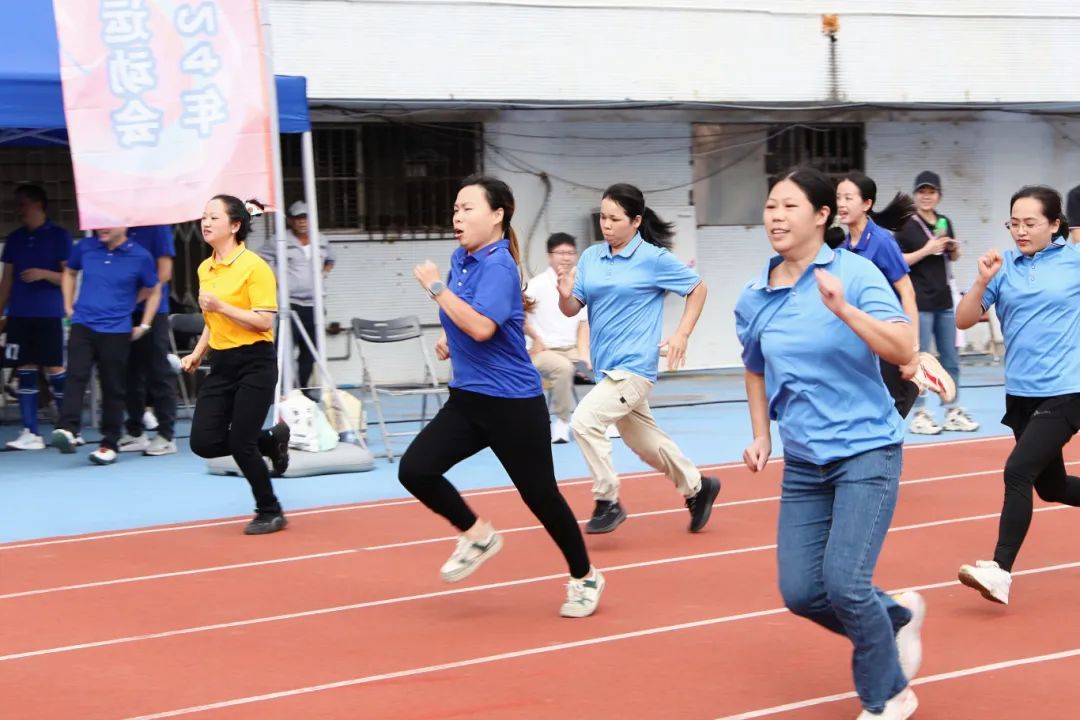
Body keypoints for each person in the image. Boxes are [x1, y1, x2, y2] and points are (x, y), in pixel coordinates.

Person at [736, 167, 926, 720]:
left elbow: (904, 347)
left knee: (845, 584)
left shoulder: (856, 273)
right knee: (801, 593)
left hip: (866, 449)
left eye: (789, 206)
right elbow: (754, 367)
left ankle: (888, 696)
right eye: (770, 206)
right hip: (804, 461)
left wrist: (844, 309)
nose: (776, 217)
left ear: (822, 215)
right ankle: (894, 617)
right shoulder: (755, 295)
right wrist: (760, 433)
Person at [400, 175, 604, 618]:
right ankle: (477, 535)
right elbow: (469, 319)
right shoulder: (462, 258)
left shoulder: (498, 265)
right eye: (455, 209)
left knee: (541, 498)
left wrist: (436, 288)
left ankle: (585, 575)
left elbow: (482, 327)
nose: (457, 216)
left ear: (497, 215)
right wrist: (450, 338)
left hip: (513, 405)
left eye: (467, 208)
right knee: (415, 470)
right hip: (469, 399)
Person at [558, 183, 720, 535]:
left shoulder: (653, 259)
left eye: (615, 219)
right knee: (643, 443)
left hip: (634, 368)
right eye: (603, 217)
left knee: (584, 421)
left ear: (635, 221)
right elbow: (572, 308)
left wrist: (682, 334)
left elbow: (697, 288)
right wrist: (564, 294)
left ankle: (607, 500)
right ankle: (697, 487)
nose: (606, 224)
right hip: (607, 369)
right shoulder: (592, 257)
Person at [955, 186, 1080, 605]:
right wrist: (981, 281)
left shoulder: (1075, 261)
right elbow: (964, 319)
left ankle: (1000, 571)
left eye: (1030, 223)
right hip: (1021, 394)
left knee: (1017, 472)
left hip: (1067, 390)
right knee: (1052, 487)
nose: (1020, 231)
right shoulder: (1003, 266)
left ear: (1055, 224)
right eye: (1014, 223)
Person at [182, 195, 292, 536]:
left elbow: (263, 321)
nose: (206, 222)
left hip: (255, 362)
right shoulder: (205, 268)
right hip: (222, 363)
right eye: (204, 216)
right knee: (203, 442)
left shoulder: (255, 267)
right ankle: (270, 441)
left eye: (214, 217)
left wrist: (222, 306)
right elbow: (211, 320)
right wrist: (198, 352)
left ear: (234, 225)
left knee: (241, 443)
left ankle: (270, 510)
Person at [835, 171, 955, 418]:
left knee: (894, 410)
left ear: (866, 204)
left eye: (848, 198)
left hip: (888, 332)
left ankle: (919, 377)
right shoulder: (844, 248)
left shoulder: (881, 242)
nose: (841, 204)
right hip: (862, 337)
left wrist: (912, 349)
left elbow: (907, 292)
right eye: (838, 198)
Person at [51, 227, 160, 465]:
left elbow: (153, 289)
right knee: (75, 374)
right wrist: (68, 307)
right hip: (83, 323)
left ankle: (109, 443)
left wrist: (144, 325)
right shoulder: (85, 247)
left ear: (123, 225)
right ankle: (68, 428)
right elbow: (69, 272)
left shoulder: (140, 255)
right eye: (98, 222)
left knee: (113, 386)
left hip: (117, 330)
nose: (101, 227)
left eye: (107, 223)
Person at [894, 171, 979, 435]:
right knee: (918, 360)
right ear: (915, 195)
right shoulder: (905, 225)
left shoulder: (944, 222)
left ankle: (952, 409)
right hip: (919, 302)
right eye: (922, 192)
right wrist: (926, 250)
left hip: (944, 301)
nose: (926, 196)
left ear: (938, 195)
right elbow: (897, 261)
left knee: (950, 359)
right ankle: (919, 413)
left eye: (931, 192)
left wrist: (953, 249)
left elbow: (952, 257)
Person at [0, 185, 72, 451]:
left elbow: (68, 277)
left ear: (39, 204)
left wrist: (44, 274)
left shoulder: (59, 235)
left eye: (24, 203)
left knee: (55, 367)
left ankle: (69, 427)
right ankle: (30, 431)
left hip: (48, 313)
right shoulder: (15, 238)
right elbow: (6, 279)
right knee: (24, 368)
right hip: (19, 313)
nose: (20, 209)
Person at [257, 200, 335, 398]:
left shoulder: (321, 239)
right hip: (290, 304)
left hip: (315, 304)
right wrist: (275, 278)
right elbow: (259, 260)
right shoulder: (280, 240)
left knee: (311, 349)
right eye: (298, 218)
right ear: (290, 221)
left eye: (305, 217)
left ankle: (301, 391)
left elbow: (330, 259)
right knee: (283, 350)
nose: (302, 222)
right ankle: (281, 391)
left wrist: (323, 274)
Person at [118, 225, 178, 456]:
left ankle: (166, 434)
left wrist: (137, 297)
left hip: (154, 309)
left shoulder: (158, 227)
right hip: (126, 310)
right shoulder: (119, 227)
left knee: (158, 370)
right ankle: (135, 431)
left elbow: (164, 273)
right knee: (129, 373)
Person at [524, 232, 590, 444]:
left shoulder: (579, 284)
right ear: (549, 256)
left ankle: (606, 421)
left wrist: (585, 355)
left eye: (571, 253)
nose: (566, 257)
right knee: (563, 368)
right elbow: (518, 317)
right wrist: (536, 338)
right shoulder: (536, 285)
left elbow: (582, 324)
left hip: (570, 349)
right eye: (561, 253)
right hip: (541, 352)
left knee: (609, 363)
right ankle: (561, 421)